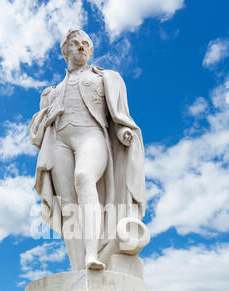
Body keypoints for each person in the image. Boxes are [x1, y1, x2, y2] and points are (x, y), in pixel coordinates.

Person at [30, 29, 146, 271]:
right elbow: (37, 132)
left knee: (84, 178)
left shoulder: (105, 78)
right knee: (68, 205)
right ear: (65, 51)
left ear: (91, 51)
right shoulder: (51, 92)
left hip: (91, 136)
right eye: (75, 44)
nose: (81, 47)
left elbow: (116, 115)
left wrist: (122, 132)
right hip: (59, 142)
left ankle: (93, 254)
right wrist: (48, 115)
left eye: (86, 44)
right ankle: (77, 266)